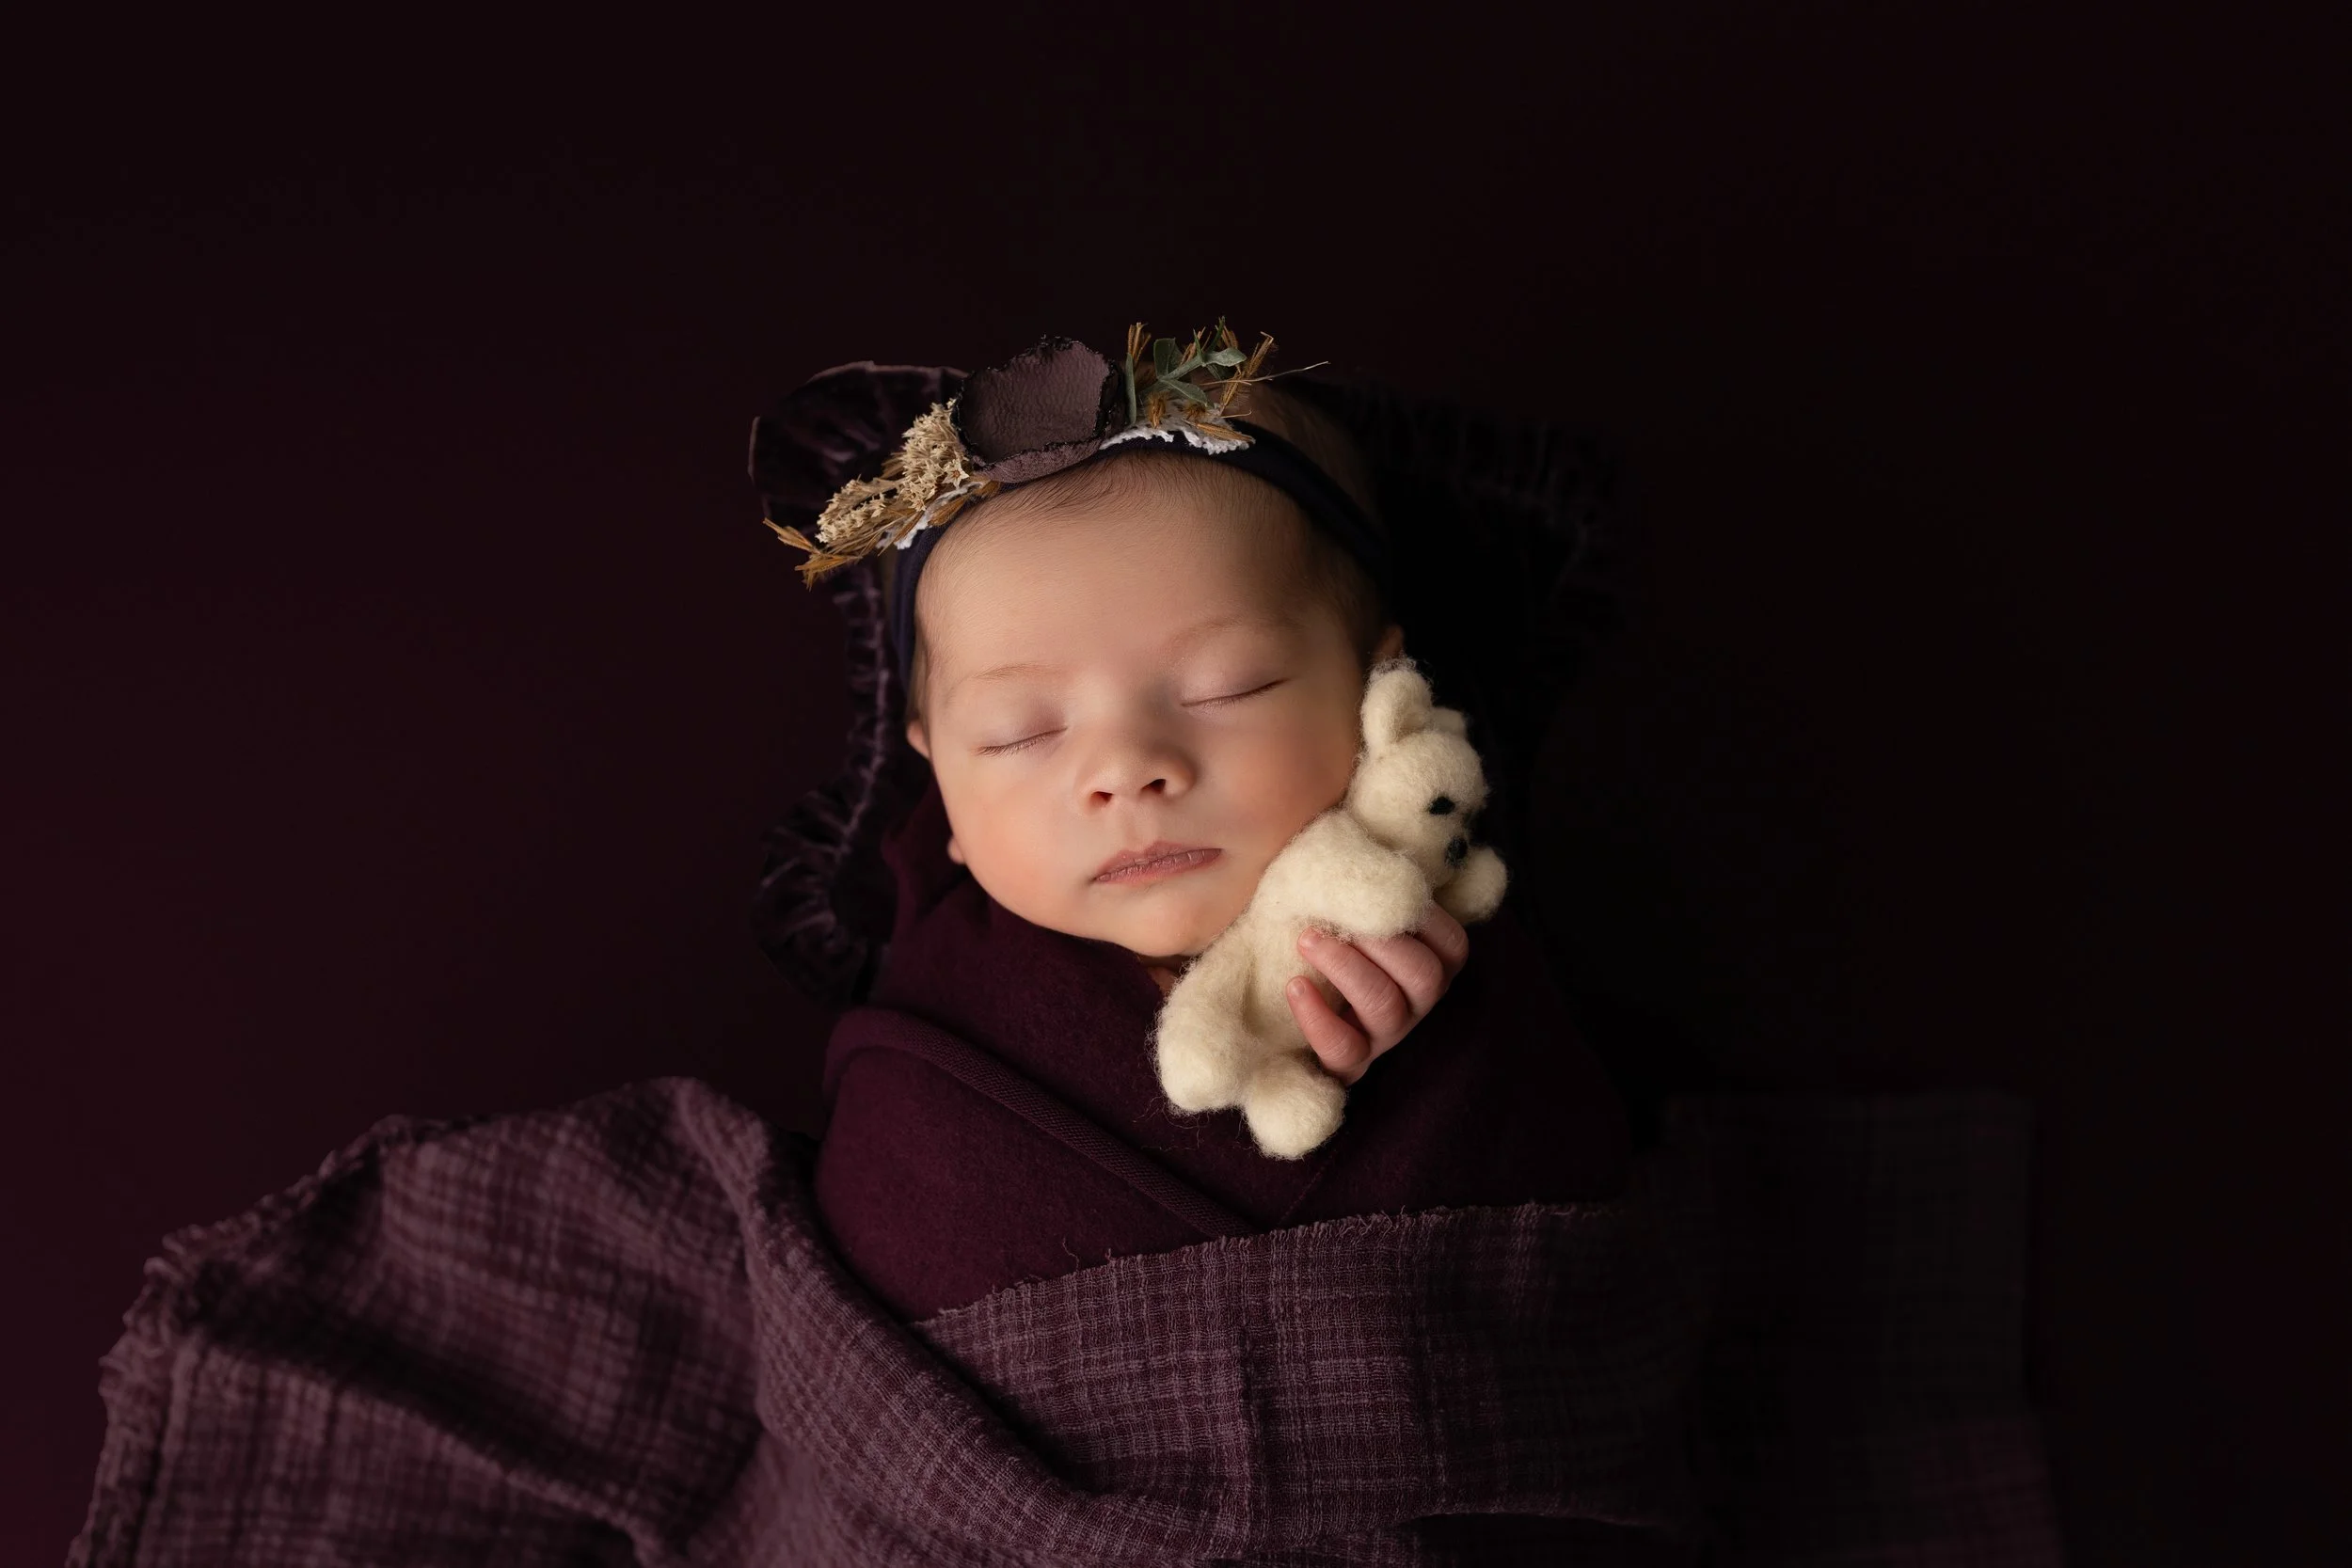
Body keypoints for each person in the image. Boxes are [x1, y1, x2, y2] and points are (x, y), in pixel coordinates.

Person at [782, 329, 1634, 1320]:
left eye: (1227, 686)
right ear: (942, 796)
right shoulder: (933, 1016)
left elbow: (1557, 1175)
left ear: (1378, 690)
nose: (1125, 771)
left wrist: (1421, 1066)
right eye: (1020, 734)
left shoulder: (1441, 910)